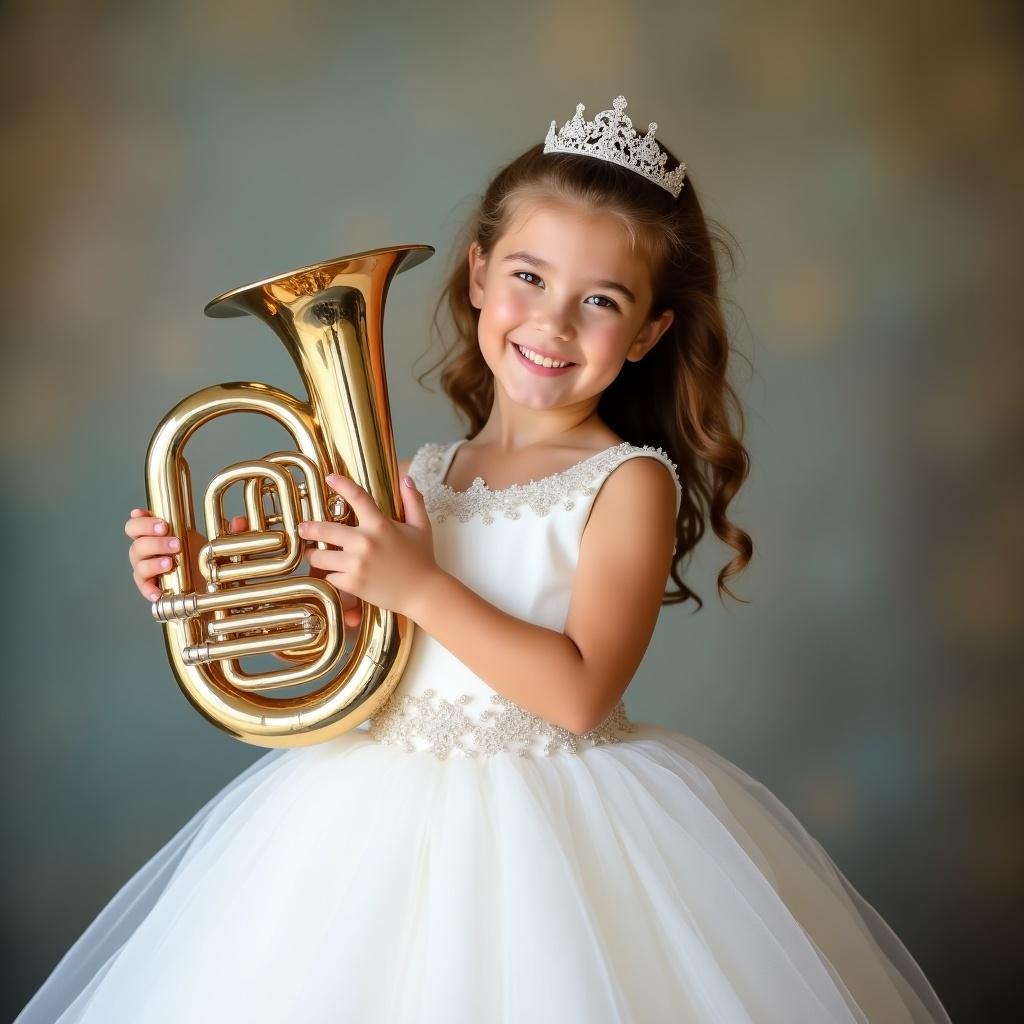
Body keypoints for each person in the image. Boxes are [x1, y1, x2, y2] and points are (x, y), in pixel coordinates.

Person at [16, 94, 952, 1023]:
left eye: (602, 300)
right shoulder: (430, 469)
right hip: (361, 819)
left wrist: (418, 582)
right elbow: (369, 648)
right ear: (476, 275)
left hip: (558, 836)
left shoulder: (628, 483)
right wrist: (202, 586)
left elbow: (578, 694)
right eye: (530, 278)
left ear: (649, 333)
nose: (552, 324)